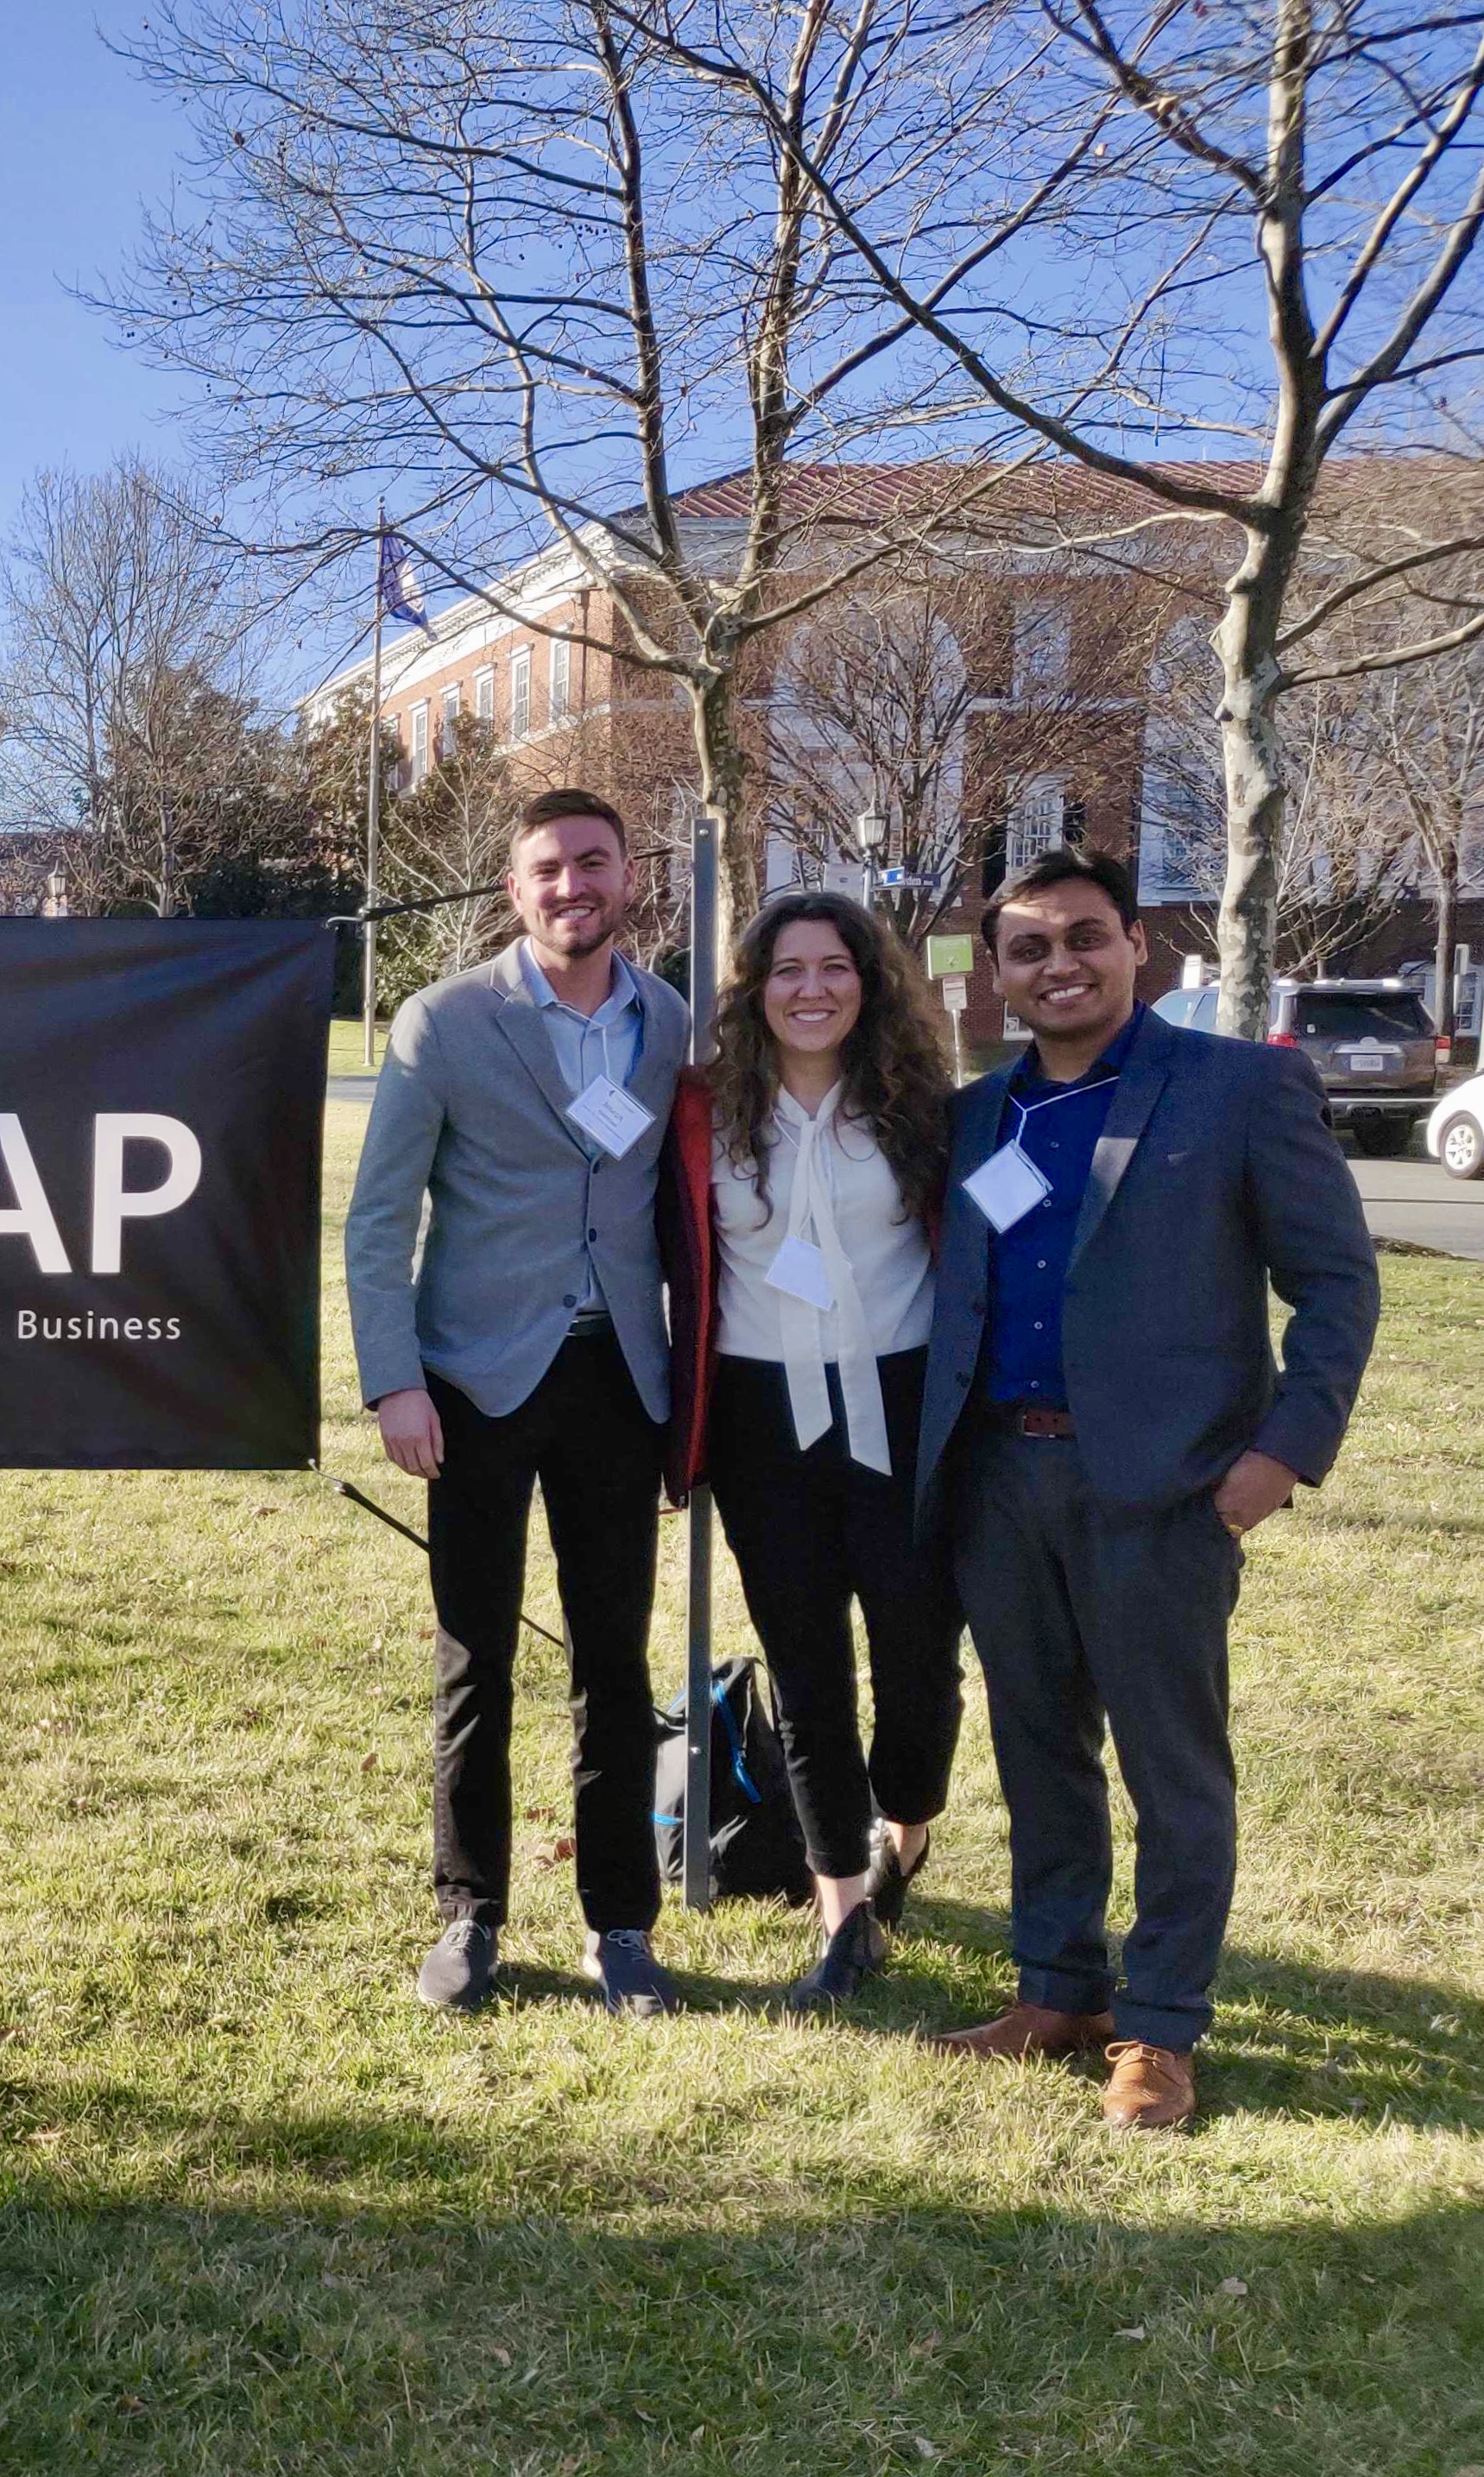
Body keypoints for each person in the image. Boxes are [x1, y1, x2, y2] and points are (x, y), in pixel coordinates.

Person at [911, 847, 1380, 2128]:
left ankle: (1161, 2026)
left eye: (1082, 938)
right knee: (1036, 1750)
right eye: (1028, 948)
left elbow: (1336, 1283)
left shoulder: (1239, 1088)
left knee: (1173, 1768)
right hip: (997, 1478)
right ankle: (1057, 1987)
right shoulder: (974, 1116)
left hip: (1166, 1491)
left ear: (1138, 948)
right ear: (997, 975)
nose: (1057, 964)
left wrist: (1280, 1454)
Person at [347, 788, 693, 2016]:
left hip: (620, 1385)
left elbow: (686, 1208)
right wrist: (393, 1378)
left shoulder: (670, 1024)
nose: (570, 887)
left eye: (591, 863)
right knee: (474, 1659)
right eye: (546, 869)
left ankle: (620, 1925)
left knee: (613, 1658)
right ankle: (470, 1915)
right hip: (473, 1384)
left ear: (628, 876)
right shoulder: (443, 1025)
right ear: (514, 889)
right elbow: (379, 1215)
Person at [660, 893, 963, 2013]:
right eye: (786, 970)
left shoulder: (920, 1107)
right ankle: (841, 1911)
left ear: (867, 982)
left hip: (900, 1404)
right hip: (760, 1419)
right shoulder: (702, 1111)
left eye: (834, 967)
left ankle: (905, 1830)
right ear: (754, 988)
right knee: (805, 1671)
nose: (811, 989)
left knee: (920, 1661)